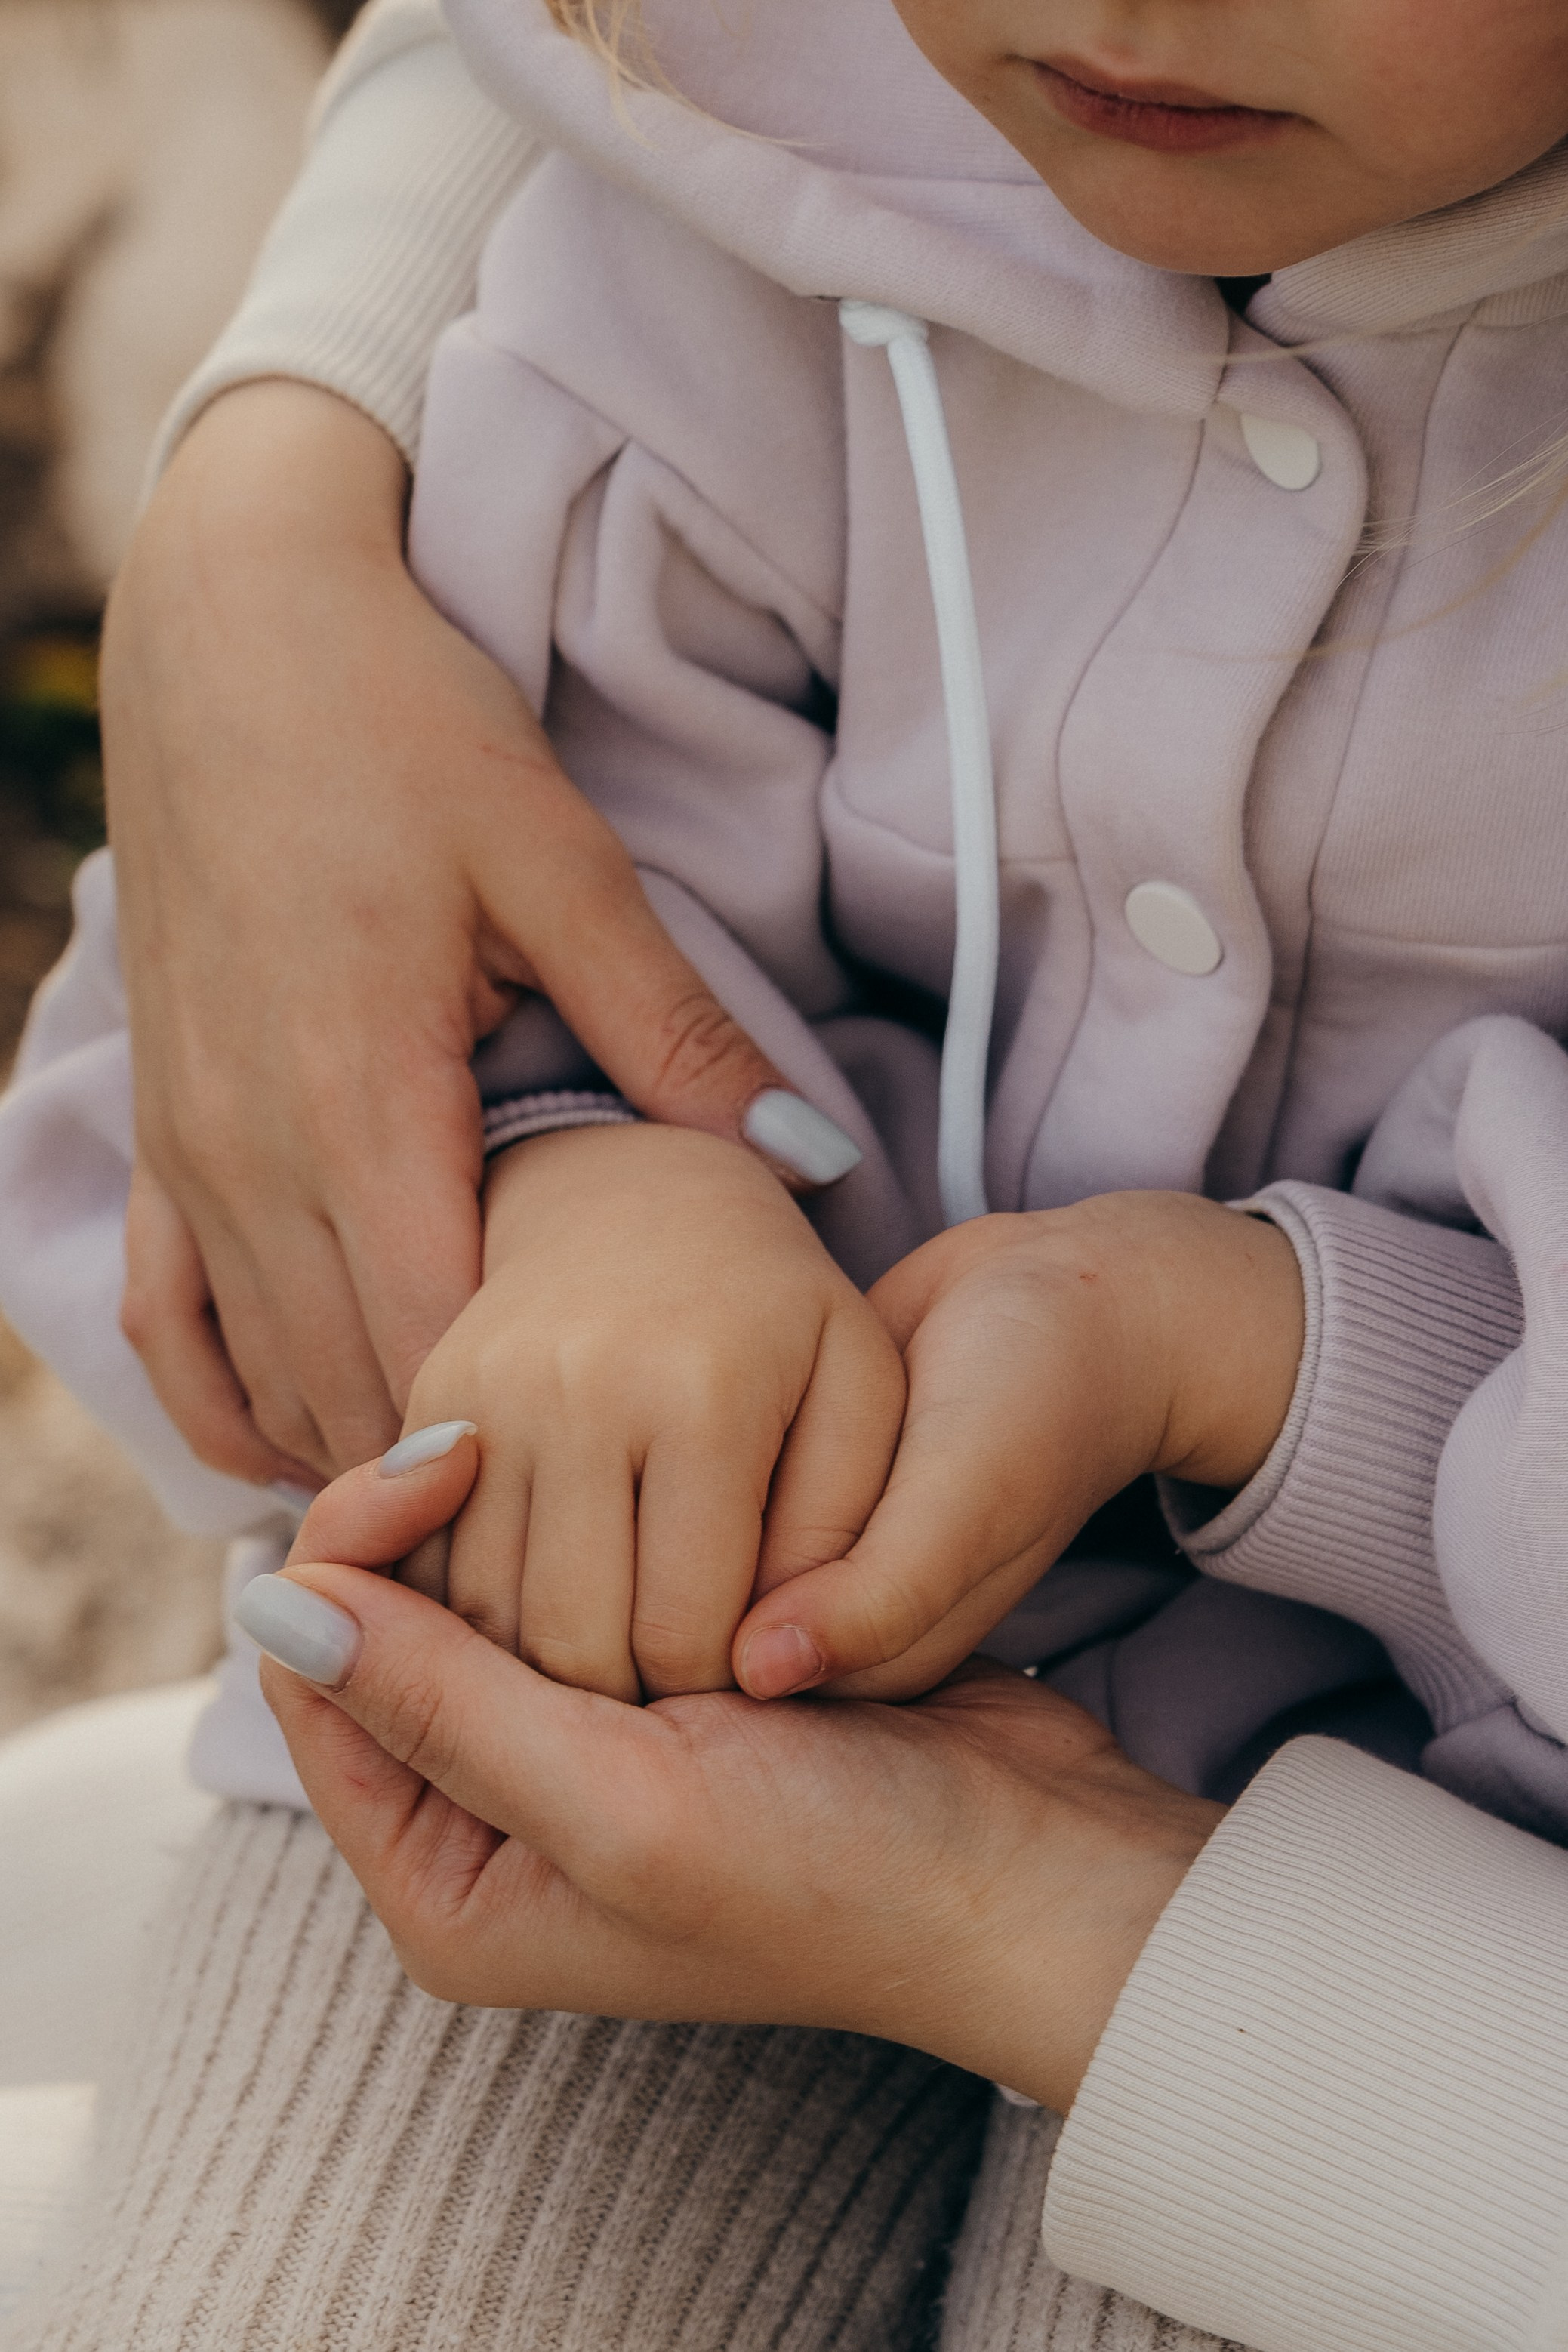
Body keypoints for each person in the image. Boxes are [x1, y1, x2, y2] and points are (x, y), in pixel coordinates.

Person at [8, 0, 1568, 2347]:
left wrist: (1275, 1369)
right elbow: (297, 1011)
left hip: (1474, 1891)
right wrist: (572, 1177)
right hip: (610, 1700)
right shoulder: (727, 167)